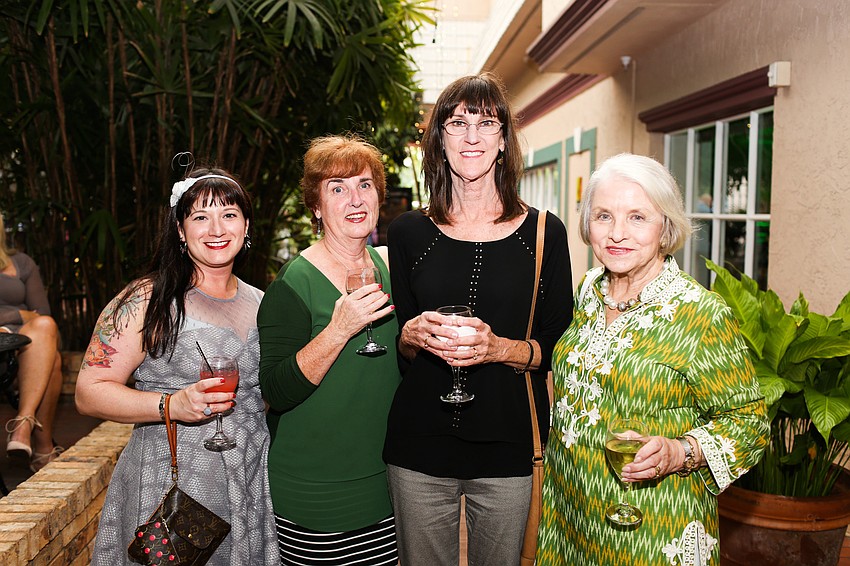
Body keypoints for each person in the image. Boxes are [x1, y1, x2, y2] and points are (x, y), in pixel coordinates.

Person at [535, 153, 770, 566]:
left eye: (638, 217)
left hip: (655, 529)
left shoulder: (700, 313)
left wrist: (680, 452)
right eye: (604, 216)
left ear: (666, 228)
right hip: (573, 520)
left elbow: (750, 423)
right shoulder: (589, 290)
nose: (617, 233)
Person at [384, 73, 573, 565]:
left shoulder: (545, 233)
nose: (471, 136)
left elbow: (559, 344)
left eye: (486, 123)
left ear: (504, 141)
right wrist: (409, 335)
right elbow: (403, 353)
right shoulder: (406, 232)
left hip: (508, 445)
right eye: (456, 123)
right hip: (418, 444)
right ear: (438, 141)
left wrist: (499, 349)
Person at [75, 166, 280, 565]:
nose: (216, 228)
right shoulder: (147, 299)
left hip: (252, 477)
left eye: (229, 214)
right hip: (175, 482)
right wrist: (171, 405)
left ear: (246, 225)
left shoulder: (265, 302)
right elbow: (89, 391)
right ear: (181, 231)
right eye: (200, 217)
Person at [258, 135, 400, 565]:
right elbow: (275, 391)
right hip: (318, 494)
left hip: (386, 485)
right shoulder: (293, 283)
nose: (354, 199)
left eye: (364, 184)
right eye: (337, 188)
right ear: (317, 206)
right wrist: (338, 330)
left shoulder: (391, 268)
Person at [0, 214, 65, 473]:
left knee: (46, 326)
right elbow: (30, 312)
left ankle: (23, 425)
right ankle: (42, 448)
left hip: (26, 349)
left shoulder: (21, 262)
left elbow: (42, 312)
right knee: (54, 362)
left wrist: (23, 320)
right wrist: (17, 315)